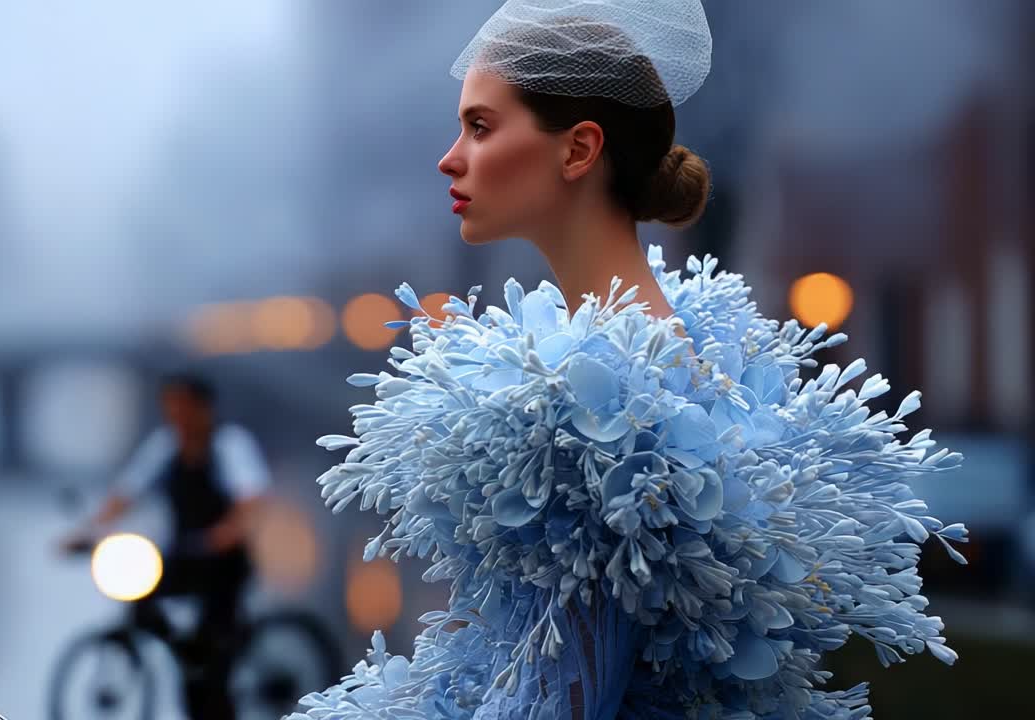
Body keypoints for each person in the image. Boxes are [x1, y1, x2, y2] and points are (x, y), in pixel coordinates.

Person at [291, 2, 967, 719]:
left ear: (579, 150)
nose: (450, 156)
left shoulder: (596, 389)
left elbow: (573, 697)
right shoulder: (652, 351)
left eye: (481, 126)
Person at [70, 369, 269, 720]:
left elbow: (250, 500)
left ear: (203, 408)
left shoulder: (229, 445)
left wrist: (227, 532)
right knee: (142, 598)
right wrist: (88, 531)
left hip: (223, 564)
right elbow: (126, 493)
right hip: (183, 557)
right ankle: (185, 654)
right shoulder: (166, 447)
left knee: (213, 662)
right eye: (170, 405)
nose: (176, 413)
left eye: (183, 405)